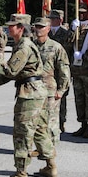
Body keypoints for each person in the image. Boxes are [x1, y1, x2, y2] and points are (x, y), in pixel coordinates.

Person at [0, 13, 56, 177]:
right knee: (40, 130)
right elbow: (11, 74)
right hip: (35, 91)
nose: (9, 28)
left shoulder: (24, 46)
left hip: (30, 94)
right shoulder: (23, 44)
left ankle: (21, 174)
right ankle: (51, 166)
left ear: (20, 28)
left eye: (12, 25)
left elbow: (10, 71)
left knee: (22, 133)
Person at [33, 17, 70, 146]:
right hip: (34, 90)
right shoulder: (32, 46)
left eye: (41, 27)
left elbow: (64, 70)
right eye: (37, 26)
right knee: (37, 120)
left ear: (48, 29)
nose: (38, 29)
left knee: (51, 120)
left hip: (50, 91)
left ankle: (52, 147)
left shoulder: (55, 47)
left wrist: (61, 90)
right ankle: (41, 147)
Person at [67, 3, 88, 138]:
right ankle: (82, 124)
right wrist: (71, 31)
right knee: (79, 99)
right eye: (79, 12)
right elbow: (67, 45)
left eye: (84, 12)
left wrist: (85, 54)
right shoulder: (75, 27)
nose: (81, 15)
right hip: (76, 71)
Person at [48, 9, 70, 132]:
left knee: (61, 98)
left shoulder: (67, 34)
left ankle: (61, 122)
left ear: (60, 20)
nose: (50, 21)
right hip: (49, 72)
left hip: (61, 70)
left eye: (53, 18)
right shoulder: (47, 32)